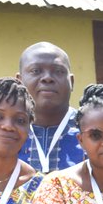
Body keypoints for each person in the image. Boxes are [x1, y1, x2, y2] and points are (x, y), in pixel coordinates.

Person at [16, 42, 84, 174]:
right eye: (36, 71)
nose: (47, 78)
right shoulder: (1, 132)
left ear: (72, 82)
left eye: (58, 71)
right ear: (19, 81)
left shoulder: (95, 132)